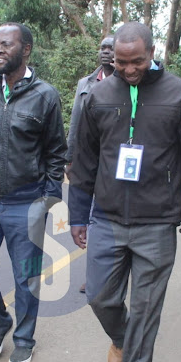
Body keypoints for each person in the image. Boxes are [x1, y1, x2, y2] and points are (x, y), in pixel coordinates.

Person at [68, 22, 181, 362]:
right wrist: (78, 215)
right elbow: (81, 160)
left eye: (137, 61)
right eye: (121, 62)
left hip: (157, 221)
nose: (129, 69)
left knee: (147, 305)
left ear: (153, 54)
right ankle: (121, 337)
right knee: (99, 295)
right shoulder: (97, 95)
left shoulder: (179, 95)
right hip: (107, 217)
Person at [0, 23, 67, 362]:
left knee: (27, 276)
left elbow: (56, 153)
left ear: (26, 50)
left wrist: (48, 200)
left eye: (6, 45)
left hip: (26, 201)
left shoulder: (45, 95)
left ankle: (24, 338)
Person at [66, 35, 115, 294]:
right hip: (87, 163)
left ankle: (113, 273)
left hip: (114, 164)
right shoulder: (85, 84)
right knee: (91, 219)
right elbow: (75, 122)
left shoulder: (128, 82)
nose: (106, 52)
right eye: (103, 48)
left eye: (111, 48)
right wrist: (70, 158)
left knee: (107, 219)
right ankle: (94, 275)